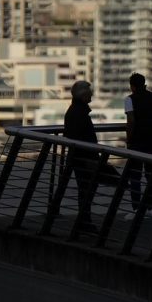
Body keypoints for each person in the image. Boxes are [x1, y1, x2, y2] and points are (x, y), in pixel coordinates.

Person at [125, 73, 152, 219]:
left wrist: (129, 139)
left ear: (132, 86)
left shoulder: (130, 99)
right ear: (144, 84)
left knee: (135, 176)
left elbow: (131, 121)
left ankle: (137, 209)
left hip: (136, 143)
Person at [63, 80, 100, 233]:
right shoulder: (79, 112)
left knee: (85, 189)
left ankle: (84, 220)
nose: (91, 94)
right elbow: (80, 137)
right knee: (86, 189)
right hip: (85, 158)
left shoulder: (75, 110)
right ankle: (84, 221)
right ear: (84, 95)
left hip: (80, 157)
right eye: (89, 92)